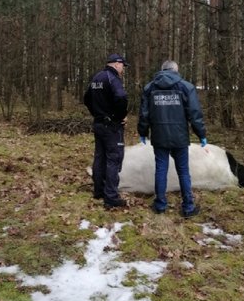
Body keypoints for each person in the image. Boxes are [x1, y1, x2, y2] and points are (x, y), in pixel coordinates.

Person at [137, 60, 206, 217]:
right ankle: (188, 207)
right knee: (183, 171)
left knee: (161, 170)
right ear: (176, 70)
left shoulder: (149, 88)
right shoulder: (186, 87)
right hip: (179, 136)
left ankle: (160, 205)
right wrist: (201, 134)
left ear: (162, 70)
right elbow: (194, 114)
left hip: (159, 136)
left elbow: (144, 114)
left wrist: (143, 132)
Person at [83, 53, 129, 209]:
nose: (123, 69)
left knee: (100, 157)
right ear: (116, 64)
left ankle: (99, 191)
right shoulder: (112, 78)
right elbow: (121, 97)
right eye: (123, 65)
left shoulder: (97, 77)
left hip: (98, 124)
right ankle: (111, 197)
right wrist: (120, 116)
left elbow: (87, 98)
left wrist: (97, 113)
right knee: (114, 159)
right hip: (111, 126)